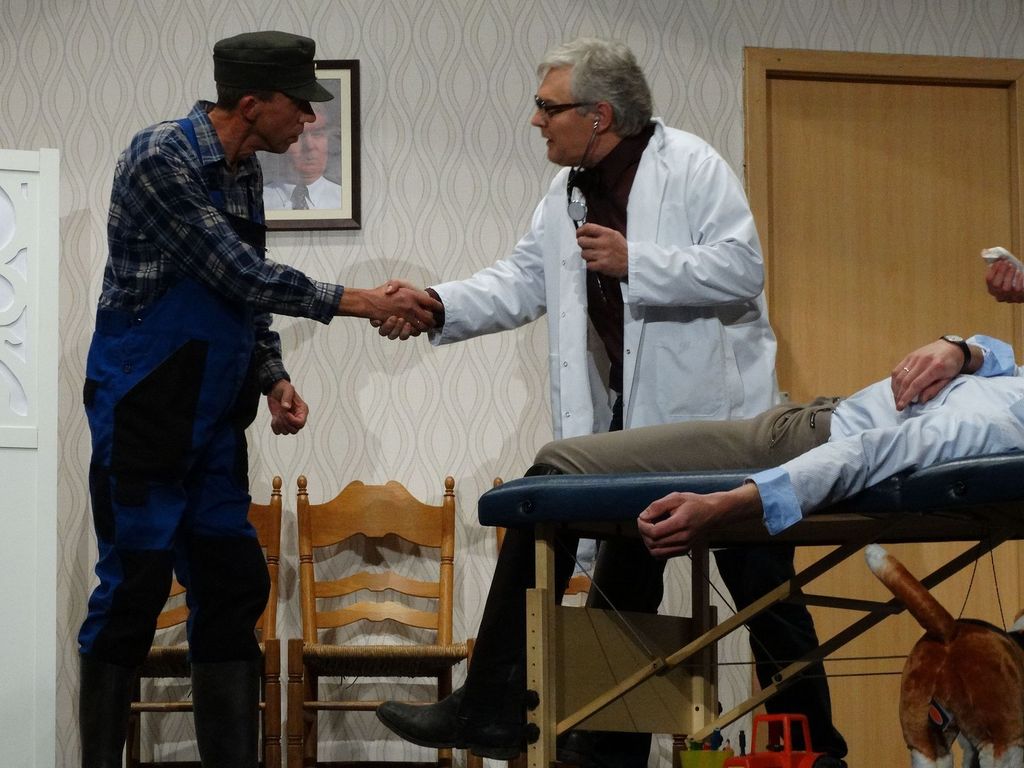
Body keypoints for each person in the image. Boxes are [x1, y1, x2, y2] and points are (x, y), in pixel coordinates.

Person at [374, 38, 843, 766]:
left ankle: (817, 753)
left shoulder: (692, 166)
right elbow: (522, 279)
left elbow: (741, 269)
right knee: (622, 606)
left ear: (599, 115)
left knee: (765, 597)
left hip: (723, 426)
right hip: (634, 429)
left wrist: (637, 263)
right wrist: (438, 304)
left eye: (548, 106)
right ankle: (596, 753)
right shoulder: (567, 192)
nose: (536, 120)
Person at [379, 332, 1017, 766]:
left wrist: (729, 503)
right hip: (816, 421)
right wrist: (963, 349)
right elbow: (1002, 357)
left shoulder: (1000, 424)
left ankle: (490, 707)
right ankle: (607, 746)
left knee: (558, 464)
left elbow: (869, 454)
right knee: (632, 516)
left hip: (802, 440)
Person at [76, 31, 440, 768]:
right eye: (298, 104)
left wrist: (271, 374)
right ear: (251, 103)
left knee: (232, 583)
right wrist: (363, 301)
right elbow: (234, 269)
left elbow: (244, 293)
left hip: (213, 415)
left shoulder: (243, 172)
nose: (308, 119)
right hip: (146, 406)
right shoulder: (160, 157)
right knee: (134, 590)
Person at [263, 100, 341, 209]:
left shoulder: (344, 201)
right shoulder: (259, 201)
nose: (309, 146)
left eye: (317, 134)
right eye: (298, 135)